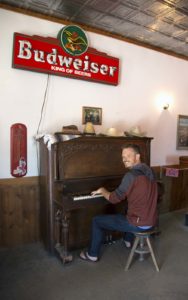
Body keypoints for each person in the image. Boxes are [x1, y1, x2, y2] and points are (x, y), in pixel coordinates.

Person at [79, 143, 158, 262]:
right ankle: (127, 240)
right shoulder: (150, 171)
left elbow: (114, 199)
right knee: (128, 208)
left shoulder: (131, 175)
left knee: (96, 220)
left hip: (138, 223)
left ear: (137, 156)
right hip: (151, 220)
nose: (125, 159)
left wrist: (103, 190)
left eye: (128, 156)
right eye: (123, 157)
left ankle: (92, 254)